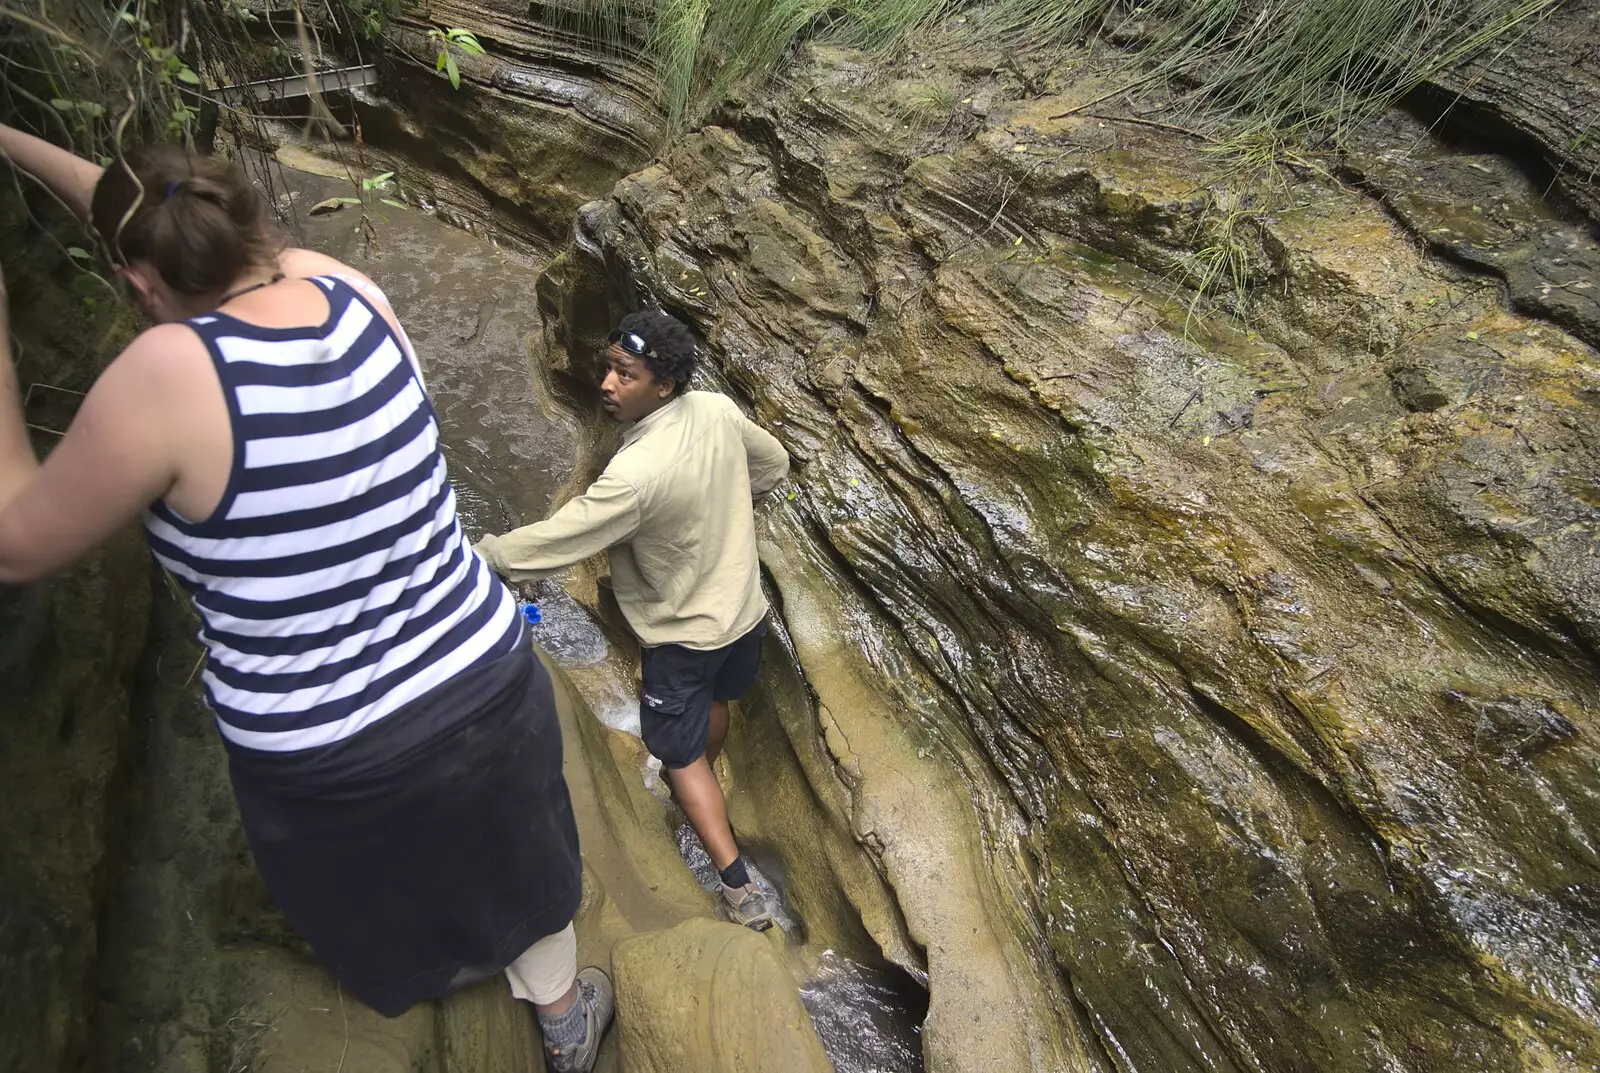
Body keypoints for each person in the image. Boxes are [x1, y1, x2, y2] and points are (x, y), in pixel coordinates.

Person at [0, 125, 613, 1072]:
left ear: (140, 285)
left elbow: (17, 542)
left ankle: (415, 982)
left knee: (369, 887)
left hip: (334, 755)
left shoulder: (163, 378)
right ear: (245, 224)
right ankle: (566, 1014)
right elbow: (156, 215)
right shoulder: (343, 286)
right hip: (490, 684)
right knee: (521, 858)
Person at [476, 310, 790, 931]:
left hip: (683, 633)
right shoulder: (715, 410)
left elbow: (561, 537)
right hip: (743, 613)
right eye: (609, 368)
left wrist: (483, 556)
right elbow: (773, 466)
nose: (607, 385)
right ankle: (699, 767)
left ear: (663, 386)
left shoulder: (636, 478)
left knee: (676, 753)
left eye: (625, 374)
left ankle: (737, 886)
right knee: (717, 700)